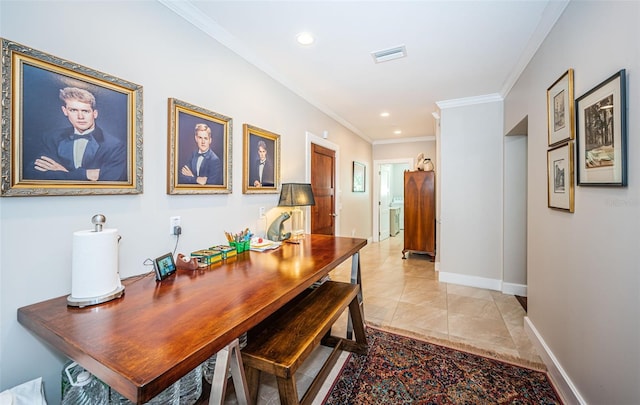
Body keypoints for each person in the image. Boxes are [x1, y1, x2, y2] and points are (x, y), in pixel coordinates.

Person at [28, 87, 127, 181]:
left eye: (85, 111)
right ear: (65, 111)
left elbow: (110, 182)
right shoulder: (51, 138)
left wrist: (62, 173)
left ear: (95, 113)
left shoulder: (114, 145)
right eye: (73, 110)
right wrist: (86, 175)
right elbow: (34, 174)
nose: (80, 116)